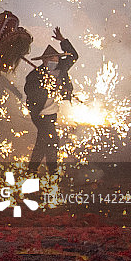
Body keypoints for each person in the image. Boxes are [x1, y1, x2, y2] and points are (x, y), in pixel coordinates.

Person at [24, 27, 78, 173]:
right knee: (52, 140)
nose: (53, 60)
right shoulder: (35, 75)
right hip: (39, 112)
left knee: (43, 142)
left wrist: (63, 40)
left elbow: (74, 56)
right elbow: (29, 90)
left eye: (55, 58)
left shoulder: (61, 69)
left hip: (52, 113)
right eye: (49, 59)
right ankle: (51, 169)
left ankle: (33, 169)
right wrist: (46, 87)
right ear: (44, 61)